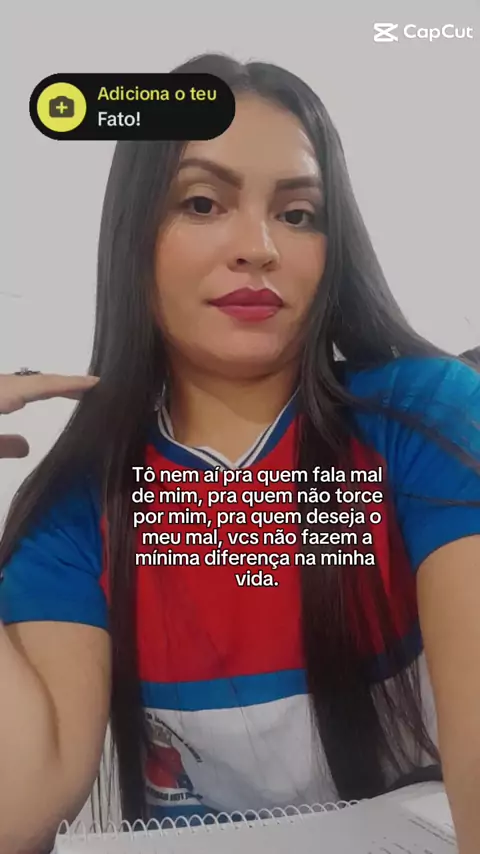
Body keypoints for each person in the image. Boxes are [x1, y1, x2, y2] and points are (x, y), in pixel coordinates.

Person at [0, 53, 479, 854]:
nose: (258, 247)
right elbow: (18, 809)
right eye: (202, 202)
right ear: (133, 234)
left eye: (297, 213)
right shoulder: (78, 506)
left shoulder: (425, 418)